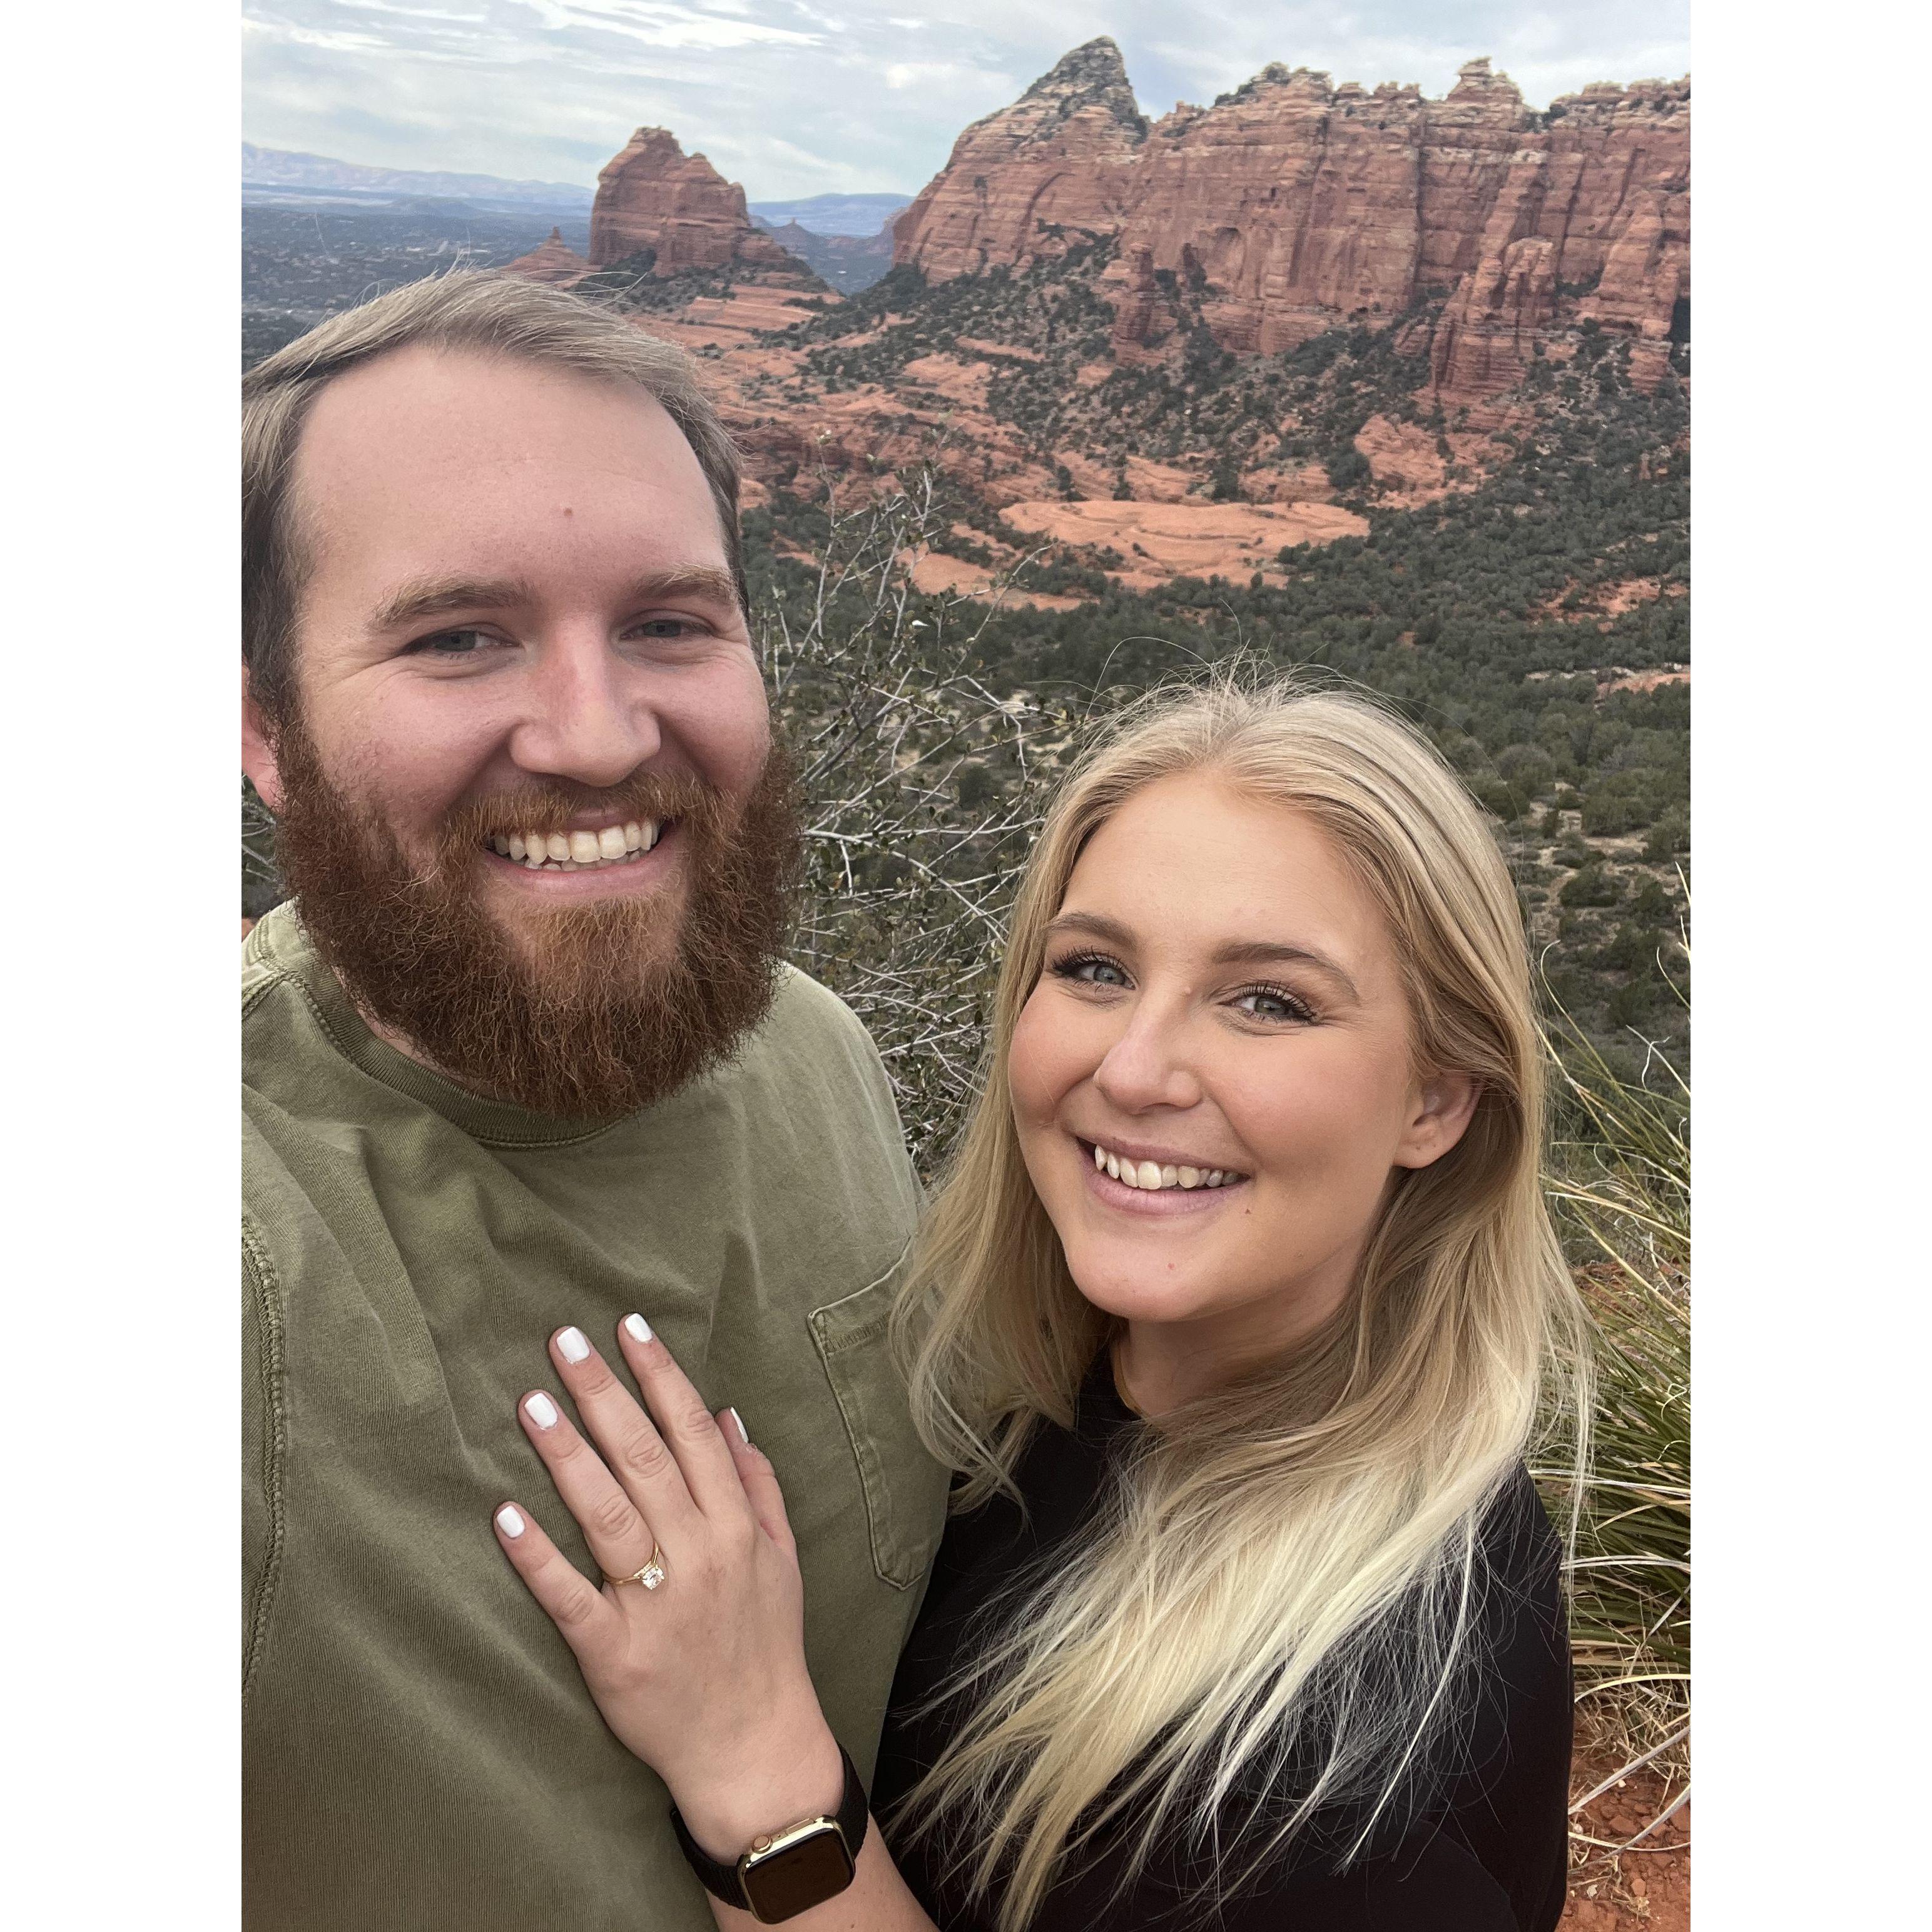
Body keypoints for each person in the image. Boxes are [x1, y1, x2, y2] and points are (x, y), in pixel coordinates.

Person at [493, 681, 1588, 1931]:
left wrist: (752, 1764)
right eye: (1094, 968)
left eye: (1266, 998)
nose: (1130, 1067)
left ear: (1433, 1102)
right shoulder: (1042, 1402)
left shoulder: (1347, 1770)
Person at [240, 272, 949, 1929]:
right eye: (459, 637)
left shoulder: (815, 1052)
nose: (596, 733)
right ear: (265, 733)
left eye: (670, 623)